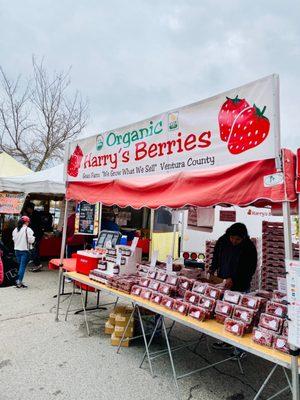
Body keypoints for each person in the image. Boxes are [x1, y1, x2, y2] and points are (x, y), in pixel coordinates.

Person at [209, 223, 257, 352]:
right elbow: (216, 256)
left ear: (243, 238)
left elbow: (250, 269)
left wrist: (234, 279)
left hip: (240, 285)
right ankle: (225, 340)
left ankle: (240, 348)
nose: (234, 241)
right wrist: (212, 269)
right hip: (223, 282)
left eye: (238, 239)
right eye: (232, 238)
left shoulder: (249, 247)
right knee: (224, 313)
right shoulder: (223, 240)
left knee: (239, 316)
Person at [12, 216, 35, 288]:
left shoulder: (15, 229)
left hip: (16, 250)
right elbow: (31, 241)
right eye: (28, 222)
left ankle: (17, 280)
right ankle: (19, 282)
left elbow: (14, 239)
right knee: (22, 267)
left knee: (19, 266)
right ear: (26, 222)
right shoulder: (28, 229)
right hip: (25, 251)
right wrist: (34, 238)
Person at [23, 202, 43, 272]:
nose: (27, 210)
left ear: (30, 208)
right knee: (34, 249)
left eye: (27, 208)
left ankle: (38, 264)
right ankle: (36, 263)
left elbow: (34, 225)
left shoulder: (35, 215)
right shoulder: (32, 214)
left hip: (36, 234)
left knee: (35, 249)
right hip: (35, 234)